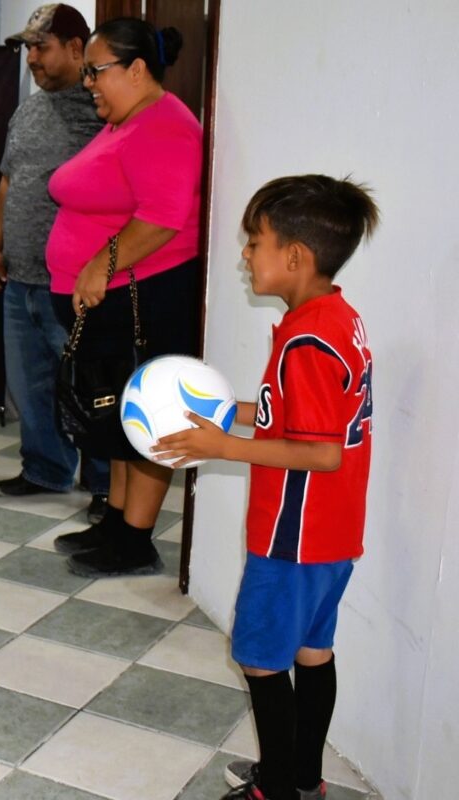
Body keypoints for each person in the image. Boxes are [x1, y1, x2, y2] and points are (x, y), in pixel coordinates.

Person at [154, 175, 378, 800]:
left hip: (292, 539)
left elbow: (321, 453)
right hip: (332, 536)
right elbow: (301, 419)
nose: (245, 254)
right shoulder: (336, 320)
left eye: (255, 242)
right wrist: (230, 415)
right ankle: (303, 778)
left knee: (258, 657)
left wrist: (223, 447)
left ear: (295, 256)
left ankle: (275, 790)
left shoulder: (307, 341)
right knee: (311, 652)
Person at [45, 18, 203, 577]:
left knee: (145, 414)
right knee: (114, 413)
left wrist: (99, 264)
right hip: (112, 304)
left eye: (96, 71)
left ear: (136, 70)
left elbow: (162, 218)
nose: (88, 82)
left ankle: (136, 540)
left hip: (146, 299)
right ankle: (115, 522)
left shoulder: (165, 125)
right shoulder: (124, 121)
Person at [0, 4, 110, 517]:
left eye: (41, 47)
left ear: (76, 48)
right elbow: (8, 181)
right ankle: (45, 468)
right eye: (27, 48)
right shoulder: (27, 111)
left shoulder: (101, 109)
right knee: (30, 384)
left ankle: (105, 482)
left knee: (90, 384)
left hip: (75, 284)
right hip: (20, 278)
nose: (32, 58)